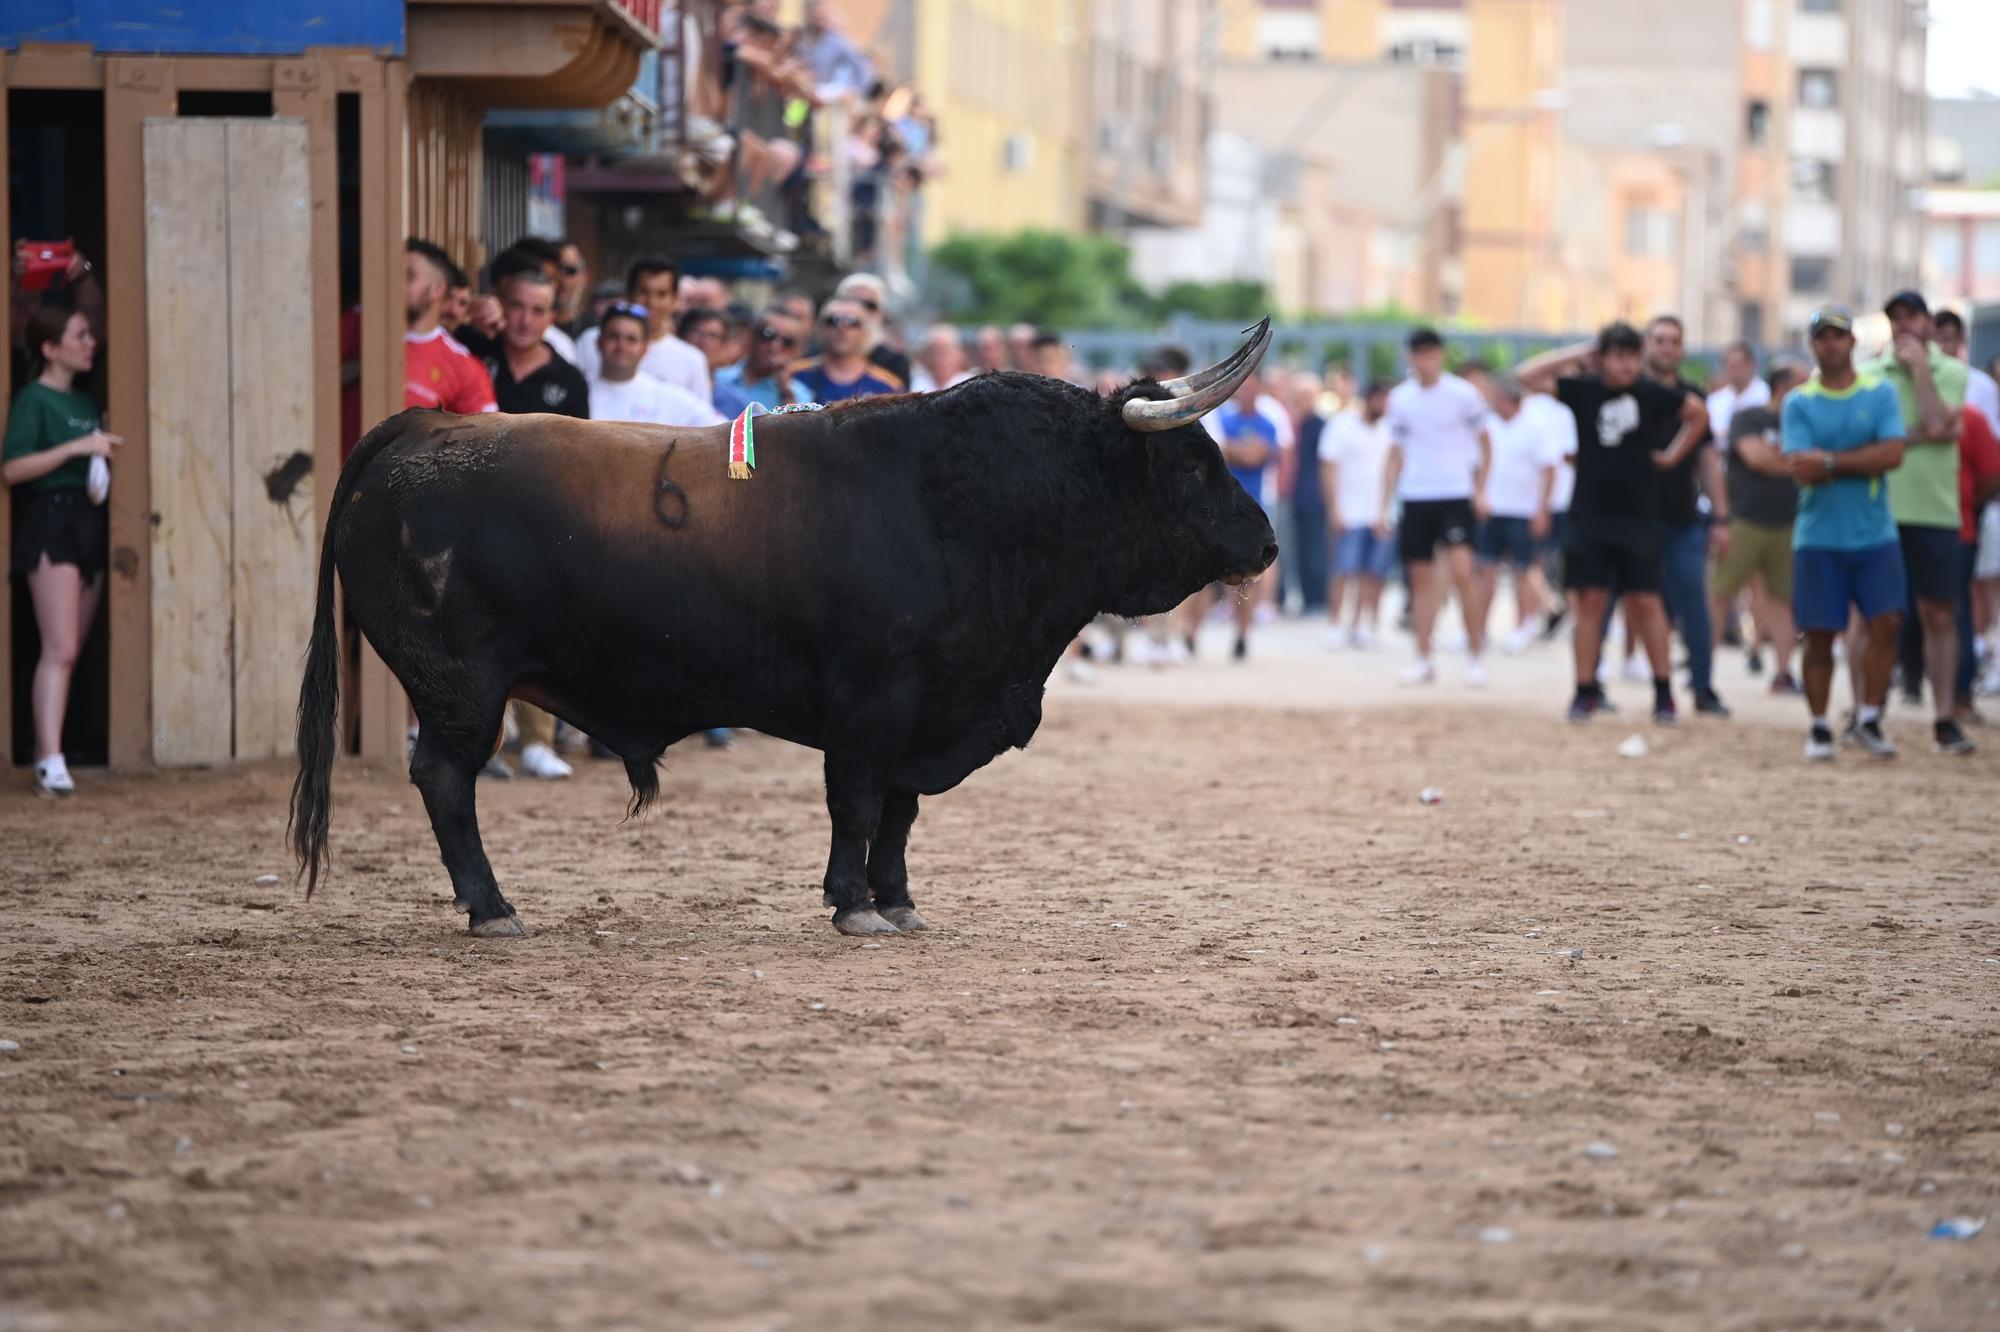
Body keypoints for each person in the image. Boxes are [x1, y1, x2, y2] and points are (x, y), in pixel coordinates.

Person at [1516, 323, 1707, 724]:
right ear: (1603, 358)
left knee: (1646, 603)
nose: (1627, 364)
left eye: (1632, 356)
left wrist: (1672, 457)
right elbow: (1526, 376)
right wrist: (1582, 350)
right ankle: (1585, 690)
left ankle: (1663, 692)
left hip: (1640, 517)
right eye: (1618, 355)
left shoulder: (1652, 393)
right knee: (1589, 602)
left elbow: (1697, 414)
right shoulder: (1584, 390)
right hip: (1590, 516)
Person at [458, 269, 588, 779]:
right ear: (499, 305)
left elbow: (581, 454)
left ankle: (538, 740)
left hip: (538, 519)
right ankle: (480, 740)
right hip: (470, 511)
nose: (525, 319)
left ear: (552, 319)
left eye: (538, 310)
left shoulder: (567, 380)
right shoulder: (472, 352)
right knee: (473, 623)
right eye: (517, 306)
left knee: (539, 627)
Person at [1782, 305, 1909, 761]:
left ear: (1852, 341)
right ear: (1813, 344)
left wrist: (1831, 461)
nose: (1831, 344)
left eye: (1838, 335)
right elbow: (1801, 469)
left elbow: (1894, 454)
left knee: (1888, 623)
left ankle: (1869, 717)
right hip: (1818, 536)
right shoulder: (1799, 401)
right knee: (1818, 635)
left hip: (1874, 533)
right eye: (1822, 337)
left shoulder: (1879, 393)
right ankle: (1818, 727)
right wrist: (1862, 456)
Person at [3, 306, 118, 796]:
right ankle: (48, 759)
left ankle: (56, 751)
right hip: (50, 518)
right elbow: (13, 469)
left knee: (75, 647)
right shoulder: (34, 399)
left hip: (87, 521)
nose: (90, 342)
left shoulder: (87, 404)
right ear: (50, 348)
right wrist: (75, 450)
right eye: (79, 335)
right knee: (61, 646)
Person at [1866, 290, 1973, 755]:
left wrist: (1921, 373)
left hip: (1934, 511)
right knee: (1873, 618)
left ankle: (1944, 717)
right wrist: (1925, 434)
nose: (1903, 325)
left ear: (1929, 322)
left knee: (1940, 614)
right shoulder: (1868, 374)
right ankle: (1867, 712)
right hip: (1878, 510)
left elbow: (1934, 425)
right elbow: (1875, 441)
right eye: (1895, 318)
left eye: (1911, 316)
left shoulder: (1951, 372)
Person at [1375, 327, 1491, 686]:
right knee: (1420, 581)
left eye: (1431, 353)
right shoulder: (1401, 399)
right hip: (1416, 495)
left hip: (1455, 493)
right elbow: (1394, 454)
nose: (1425, 361)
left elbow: (1486, 443)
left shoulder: (1463, 394)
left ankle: (1475, 655)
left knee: (1462, 573)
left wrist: (1481, 489)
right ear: (1410, 357)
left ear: (1440, 355)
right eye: (1418, 354)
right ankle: (1423, 657)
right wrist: (1383, 505)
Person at [1644, 315, 1731, 717]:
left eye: (1673, 341)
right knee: (1623, 603)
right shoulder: (1628, 393)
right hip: (1633, 519)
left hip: (1681, 517)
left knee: (1694, 600)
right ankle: (1594, 687)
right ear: (1648, 344)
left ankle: (1702, 686)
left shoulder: (1692, 396)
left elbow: (1708, 460)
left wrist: (1722, 516)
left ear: (1681, 348)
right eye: (1659, 340)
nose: (1666, 347)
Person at [1710, 357, 1807, 696]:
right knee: (1721, 593)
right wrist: (1798, 463)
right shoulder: (1748, 417)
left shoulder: (1805, 424)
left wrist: (1783, 460)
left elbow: (1793, 461)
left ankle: (1783, 674)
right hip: (1744, 521)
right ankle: (1702, 674)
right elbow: (1756, 458)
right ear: (1783, 387)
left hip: (1787, 524)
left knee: (1783, 600)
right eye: (1802, 384)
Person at [1475, 375, 1562, 654]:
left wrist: (1542, 509)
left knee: (1523, 571)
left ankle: (1523, 624)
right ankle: (1480, 629)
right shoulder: (1488, 426)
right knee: (1485, 569)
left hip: (1524, 511)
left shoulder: (1535, 428)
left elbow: (1549, 470)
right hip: (1493, 509)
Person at [575, 258, 711, 402]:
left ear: (674, 300)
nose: (651, 302)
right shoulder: (589, 341)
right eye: (643, 292)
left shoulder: (692, 360)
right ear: (629, 294)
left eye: (661, 294)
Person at [1322, 380, 1394, 648]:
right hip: (1349, 511)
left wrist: (1387, 510)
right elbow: (1328, 467)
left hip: (1380, 513)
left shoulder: (1390, 429)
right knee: (1342, 570)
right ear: (1371, 399)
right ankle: (1335, 624)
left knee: (1374, 573)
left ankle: (1363, 624)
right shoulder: (1341, 425)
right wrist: (1334, 508)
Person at [1217, 377, 1277, 659]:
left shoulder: (1268, 423)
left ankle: (1242, 629)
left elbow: (1254, 457)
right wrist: (1240, 449)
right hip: (1225, 505)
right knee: (1227, 571)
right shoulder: (1224, 421)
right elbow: (1222, 451)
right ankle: (1232, 621)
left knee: (1249, 573)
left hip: (1254, 507)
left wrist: (1233, 449)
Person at [403, 239, 497, 419]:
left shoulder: (465, 367)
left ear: (437, 289)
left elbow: (485, 440)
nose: (398, 284)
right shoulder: (355, 324)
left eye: (409, 276)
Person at [588, 304, 725, 427]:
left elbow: (720, 427)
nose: (621, 346)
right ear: (599, 342)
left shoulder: (665, 396)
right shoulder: (580, 389)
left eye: (631, 339)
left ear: (645, 349)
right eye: (614, 337)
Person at [790, 297, 904, 401]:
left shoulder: (888, 388)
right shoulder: (793, 375)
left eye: (852, 322)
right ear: (819, 328)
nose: (842, 328)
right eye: (833, 320)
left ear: (866, 332)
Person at [1284, 370, 1330, 614]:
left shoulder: (1322, 426)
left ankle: (1318, 598)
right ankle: (1301, 596)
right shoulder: (1291, 423)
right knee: (1296, 550)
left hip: (1314, 495)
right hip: (1293, 494)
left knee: (1315, 550)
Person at [713, 309, 813, 416]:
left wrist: (785, 392)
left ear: (798, 351)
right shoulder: (717, 378)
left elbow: (796, 429)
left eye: (787, 342)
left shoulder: (800, 396)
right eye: (768, 335)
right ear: (752, 337)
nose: (774, 346)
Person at [833, 272, 911, 385]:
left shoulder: (895, 363)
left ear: (881, 312)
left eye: (868, 305)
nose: (858, 310)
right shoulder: (811, 359)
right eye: (851, 301)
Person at [1934, 309, 1999, 426]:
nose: (1939, 347)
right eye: (1934, 340)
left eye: (1946, 339)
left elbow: (1990, 434)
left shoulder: (1984, 385)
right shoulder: (1920, 381)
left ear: (1959, 339)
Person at [1705, 341, 1769, 442]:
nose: (1734, 370)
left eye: (1739, 364)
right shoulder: (1715, 399)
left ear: (1751, 365)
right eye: (1730, 365)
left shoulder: (1766, 396)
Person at [911, 323, 971, 392]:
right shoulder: (915, 384)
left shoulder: (970, 384)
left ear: (959, 353)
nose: (938, 360)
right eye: (933, 353)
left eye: (944, 352)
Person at [677, 306, 733, 377]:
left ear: (724, 345)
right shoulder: (667, 383)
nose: (704, 341)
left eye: (713, 336)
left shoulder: (729, 386)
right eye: (696, 332)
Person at [554, 240, 591, 341]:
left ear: (584, 278)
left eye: (570, 270)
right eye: (555, 270)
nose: (561, 277)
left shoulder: (593, 332)